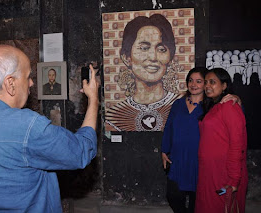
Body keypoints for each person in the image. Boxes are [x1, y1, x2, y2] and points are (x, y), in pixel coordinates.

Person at [0, 45, 99, 212]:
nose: (31, 83)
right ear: (10, 83)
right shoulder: (27, 127)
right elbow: (81, 151)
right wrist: (93, 100)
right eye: (28, 76)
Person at [161, 67, 241, 213]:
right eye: (191, 80)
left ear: (205, 85)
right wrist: (164, 150)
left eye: (199, 81)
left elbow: (231, 113)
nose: (193, 84)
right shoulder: (178, 104)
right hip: (178, 158)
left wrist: (236, 98)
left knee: (197, 200)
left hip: (199, 161)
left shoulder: (212, 106)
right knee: (173, 196)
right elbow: (168, 127)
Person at [105, 14, 182, 131]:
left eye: (161, 49)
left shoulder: (182, 106)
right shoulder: (113, 117)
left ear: (170, 58)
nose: (153, 57)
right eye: (144, 48)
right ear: (126, 57)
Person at [195, 68, 248, 213]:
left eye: (213, 82)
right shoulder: (213, 106)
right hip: (209, 172)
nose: (207, 86)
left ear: (224, 86)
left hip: (223, 174)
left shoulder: (230, 107)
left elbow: (237, 144)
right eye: (206, 82)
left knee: (219, 206)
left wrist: (233, 179)